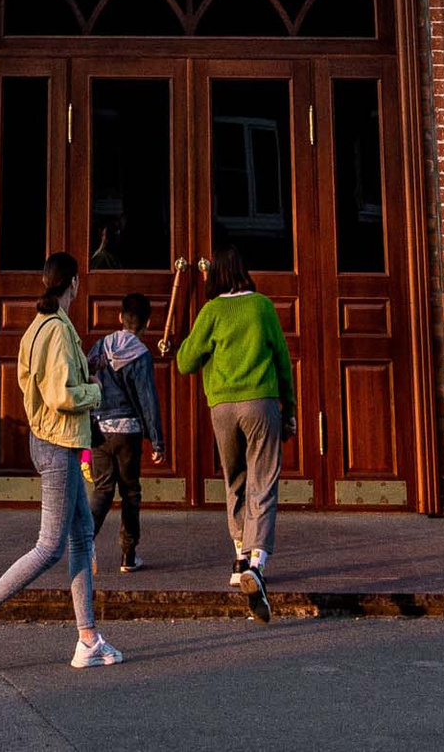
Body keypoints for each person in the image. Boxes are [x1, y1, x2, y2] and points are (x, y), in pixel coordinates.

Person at [0, 251, 120, 674]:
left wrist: (85, 373)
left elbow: (37, 383)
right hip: (58, 444)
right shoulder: (59, 331)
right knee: (50, 546)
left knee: (82, 536)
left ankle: (88, 639)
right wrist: (95, 391)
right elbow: (62, 396)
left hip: (48, 439)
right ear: (75, 285)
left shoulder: (37, 327)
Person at [175, 241, 295, 620]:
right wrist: (289, 407)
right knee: (265, 480)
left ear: (215, 276)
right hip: (260, 401)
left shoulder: (211, 311)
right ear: (242, 270)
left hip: (223, 406)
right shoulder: (261, 306)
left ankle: (239, 556)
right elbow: (282, 359)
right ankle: (257, 565)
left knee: (236, 479)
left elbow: (184, 362)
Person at [88, 289, 165, 570]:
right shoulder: (141, 354)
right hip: (128, 433)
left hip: (99, 430)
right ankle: (128, 555)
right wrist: (157, 441)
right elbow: (148, 400)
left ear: (120, 317)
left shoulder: (100, 346)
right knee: (130, 492)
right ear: (147, 324)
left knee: (102, 490)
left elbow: (87, 377)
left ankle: (84, 543)